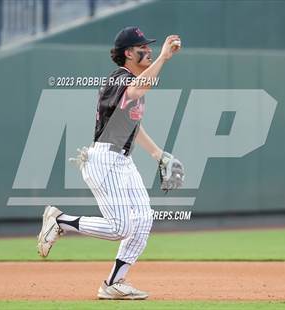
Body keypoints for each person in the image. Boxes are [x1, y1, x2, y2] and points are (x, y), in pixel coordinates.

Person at [37, 26, 182, 300]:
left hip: (122, 161)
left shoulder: (131, 82)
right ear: (128, 53)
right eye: (143, 47)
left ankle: (114, 283)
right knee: (120, 227)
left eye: (150, 47)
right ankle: (60, 220)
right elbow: (140, 89)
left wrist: (158, 155)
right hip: (104, 158)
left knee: (143, 220)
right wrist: (163, 57)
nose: (149, 51)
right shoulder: (119, 78)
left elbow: (133, 128)